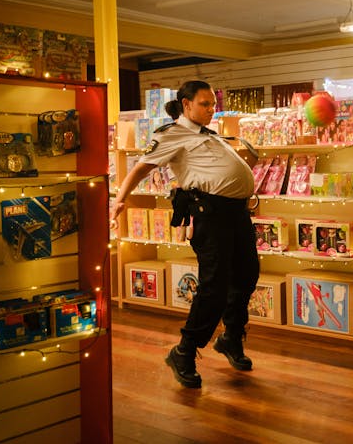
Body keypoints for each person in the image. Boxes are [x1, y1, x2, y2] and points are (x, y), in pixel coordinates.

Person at [110, 80, 260, 389]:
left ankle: (231, 338)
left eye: (212, 104)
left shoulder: (210, 134)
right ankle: (184, 351)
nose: (210, 109)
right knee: (213, 288)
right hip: (211, 216)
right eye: (205, 104)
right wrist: (120, 200)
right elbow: (141, 168)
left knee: (246, 276)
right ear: (186, 104)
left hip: (236, 214)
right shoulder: (172, 134)